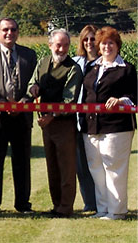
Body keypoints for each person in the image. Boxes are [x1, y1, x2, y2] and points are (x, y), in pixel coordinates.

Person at [0, 18, 37, 215]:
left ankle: (23, 204)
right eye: (5, 30)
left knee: (22, 162)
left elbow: (34, 83)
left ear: (17, 32)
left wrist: (25, 101)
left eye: (13, 29)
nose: (9, 33)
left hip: (22, 117)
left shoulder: (29, 55)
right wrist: (1, 104)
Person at [81, 26, 137, 220]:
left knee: (114, 169)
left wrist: (121, 100)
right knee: (96, 169)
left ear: (117, 46)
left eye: (111, 43)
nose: (107, 47)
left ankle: (117, 211)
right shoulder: (92, 67)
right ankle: (103, 209)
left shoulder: (126, 69)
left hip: (117, 127)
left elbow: (133, 96)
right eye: (103, 43)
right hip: (91, 126)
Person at [27, 28, 82, 218]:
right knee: (52, 166)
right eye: (59, 45)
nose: (62, 49)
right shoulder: (42, 63)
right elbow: (32, 84)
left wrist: (52, 115)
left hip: (63, 124)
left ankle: (66, 207)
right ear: (50, 45)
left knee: (66, 167)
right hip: (46, 124)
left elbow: (69, 99)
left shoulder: (73, 68)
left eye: (66, 45)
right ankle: (56, 204)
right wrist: (33, 88)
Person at [73, 25, 98, 212]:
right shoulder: (75, 63)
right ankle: (89, 202)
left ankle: (103, 201)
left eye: (93, 38)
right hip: (78, 120)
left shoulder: (107, 62)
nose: (90, 42)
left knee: (98, 164)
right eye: (86, 39)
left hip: (99, 121)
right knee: (81, 166)